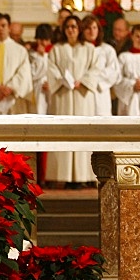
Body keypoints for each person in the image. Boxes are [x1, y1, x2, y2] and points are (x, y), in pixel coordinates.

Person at [45, 16, 99, 187]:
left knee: (83, 133)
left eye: (74, 26)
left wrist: (82, 81)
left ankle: (84, 176)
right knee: (64, 133)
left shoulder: (89, 48)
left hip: (82, 96)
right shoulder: (57, 49)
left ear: (80, 29)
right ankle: (65, 176)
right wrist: (63, 80)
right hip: (64, 95)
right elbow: (51, 69)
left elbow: (95, 69)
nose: (71, 30)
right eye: (68, 27)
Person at [80, 14, 118, 116]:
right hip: (82, 92)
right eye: (88, 28)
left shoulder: (107, 50)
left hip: (100, 93)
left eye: (94, 27)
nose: (92, 31)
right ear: (82, 30)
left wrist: (91, 79)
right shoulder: (78, 49)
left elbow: (113, 71)